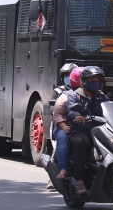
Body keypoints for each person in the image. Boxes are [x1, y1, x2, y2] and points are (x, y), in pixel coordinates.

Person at [66, 66, 109, 194]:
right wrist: (76, 116)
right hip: (81, 131)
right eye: (92, 80)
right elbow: (69, 112)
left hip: (99, 131)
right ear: (84, 81)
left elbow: (110, 109)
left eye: (97, 80)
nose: (95, 82)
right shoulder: (75, 96)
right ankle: (79, 180)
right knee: (79, 142)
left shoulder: (102, 97)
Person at [46, 63, 79, 189]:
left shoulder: (86, 90)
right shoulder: (59, 92)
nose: (69, 77)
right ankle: (54, 176)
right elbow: (54, 111)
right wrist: (64, 125)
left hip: (81, 125)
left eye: (71, 75)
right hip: (61, 125)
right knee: (61, 144)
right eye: (66, 75)